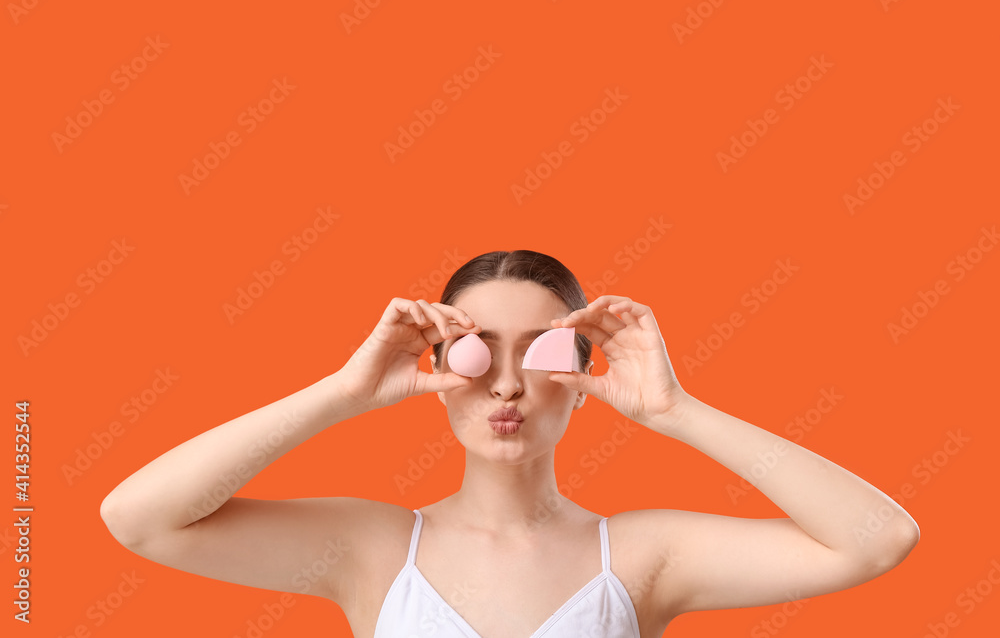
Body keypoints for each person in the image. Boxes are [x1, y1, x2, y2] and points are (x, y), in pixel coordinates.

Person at [100, 250, 920, 637]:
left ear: (583, 368)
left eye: (542, 350)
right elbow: (140, 517)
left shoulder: (638, 557)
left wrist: (674, 408)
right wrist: (344, 392)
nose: (506, 383)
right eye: (477, 348)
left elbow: (876, 539)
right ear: (436, 364)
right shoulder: (377, 549)